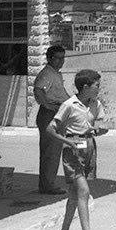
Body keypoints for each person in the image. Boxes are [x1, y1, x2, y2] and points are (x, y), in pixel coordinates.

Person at [46, 69, 108, 230]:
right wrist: (68, 142)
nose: (99, 89)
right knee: (84, 191)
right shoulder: (69, 105)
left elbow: (99, 123)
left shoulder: (96, 104)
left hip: (89, 147)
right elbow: (50, 129)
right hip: (73, 148)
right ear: (86, 87)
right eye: (97, 86)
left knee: (74, 194)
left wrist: (100, 129)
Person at [34, 45, 70, 195]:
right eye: (58, 58)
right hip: (49, 113)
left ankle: (48, 183)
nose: (61, 61)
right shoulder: (47, 74)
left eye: (63, 58)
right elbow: (38, 90)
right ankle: (47, 185)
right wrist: (48, 105)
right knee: (51, 151)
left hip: (56, 111)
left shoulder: (55, 74)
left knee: (53, 150)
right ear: (49, 59)